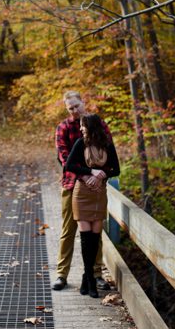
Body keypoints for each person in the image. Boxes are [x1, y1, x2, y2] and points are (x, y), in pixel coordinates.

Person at [53, 91, 112, 292]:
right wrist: (85, 175)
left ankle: (96, 274)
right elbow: (64, 158)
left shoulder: (98, 124)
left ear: (83, 102)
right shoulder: (63, 127)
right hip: (72, 185)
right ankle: (62, 274)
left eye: (77, 105)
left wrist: (97, 176)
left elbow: (108, 152)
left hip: (96, 187)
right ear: (66, 109)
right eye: (70, 108)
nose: (75, 110)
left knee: (96, 232)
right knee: (68, 230)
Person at [64, 114, 120, 297]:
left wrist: (103, 173)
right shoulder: (81, 144)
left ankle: (85, 278)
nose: (81, 129)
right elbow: (69, 166)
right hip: (82, 194)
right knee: (85, 238)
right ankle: (91, 282)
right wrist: (90, 171)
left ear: (91, 127)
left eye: (83, 126)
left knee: (95, 239)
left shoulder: (108, 146)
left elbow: (116, 169)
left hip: (98, 194)